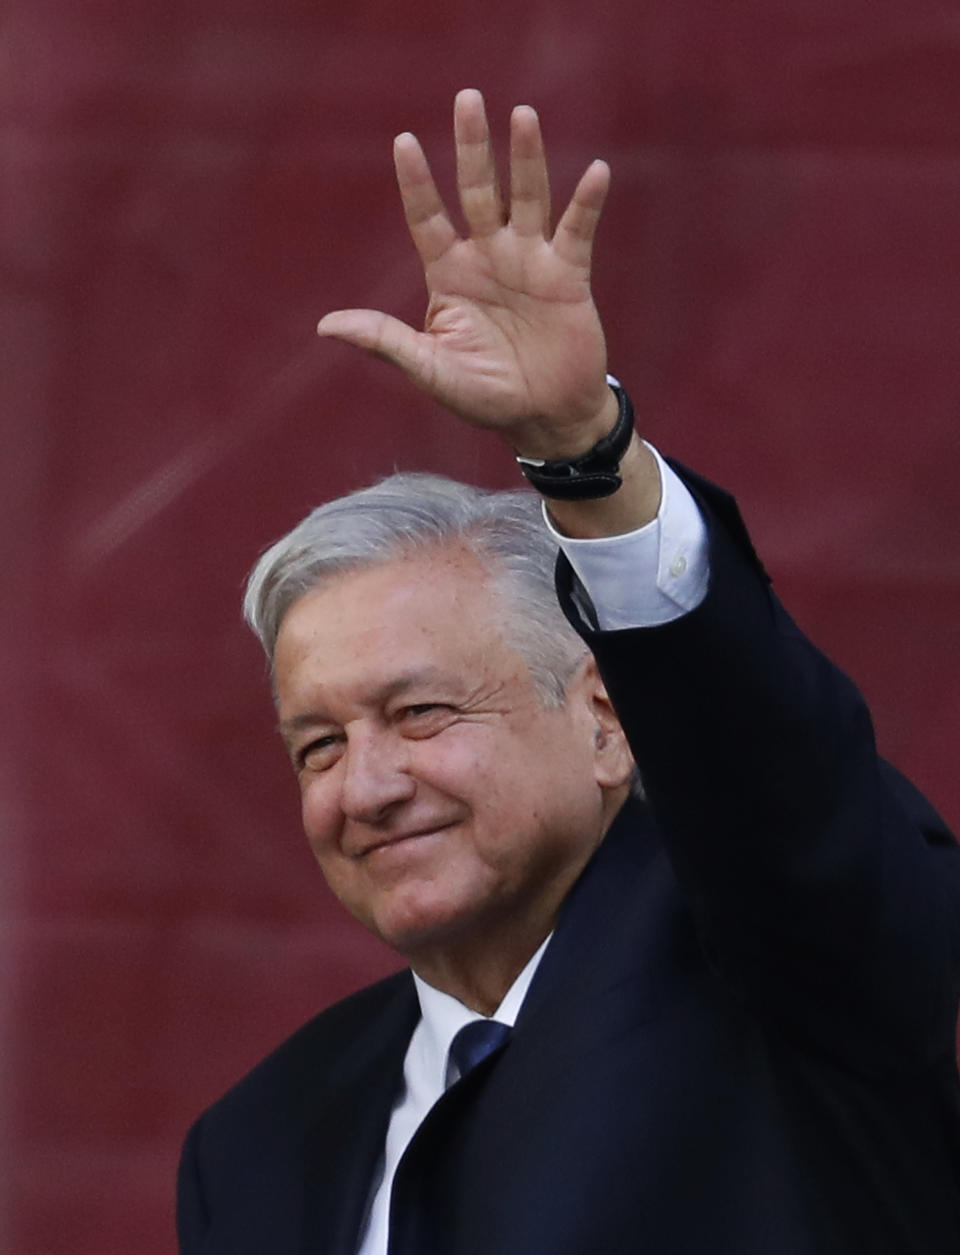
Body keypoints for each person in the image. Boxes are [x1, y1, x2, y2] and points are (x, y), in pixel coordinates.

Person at [177, 90, 960, 1254]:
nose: (367, 786)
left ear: (606, 720)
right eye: (319, 745)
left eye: (421, 710)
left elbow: (775, 779)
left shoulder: (791, 965)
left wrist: (583, 451)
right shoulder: (258, 1142)